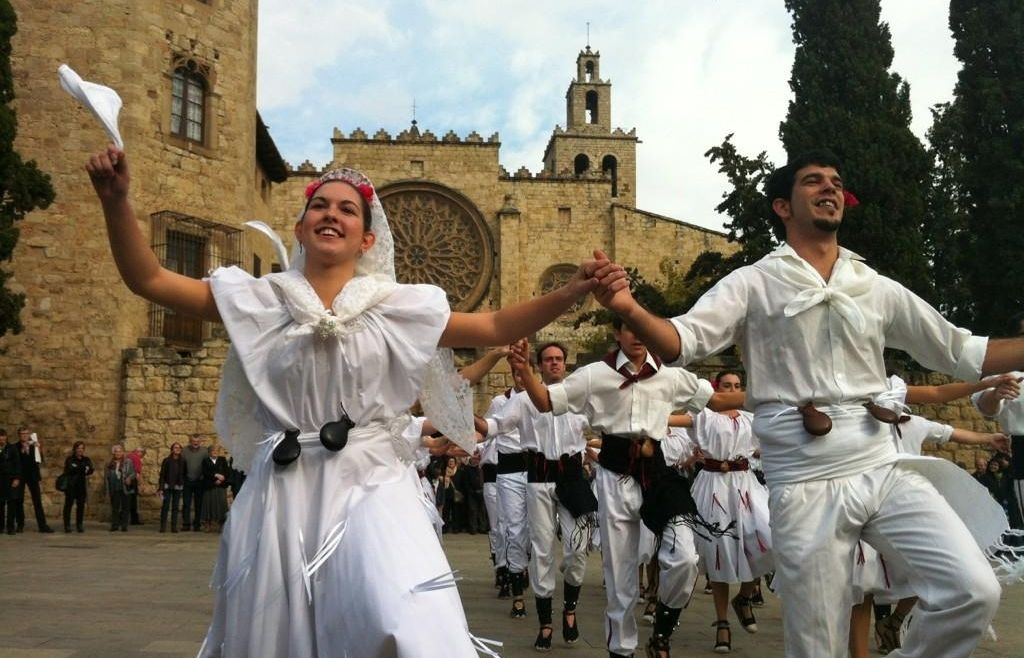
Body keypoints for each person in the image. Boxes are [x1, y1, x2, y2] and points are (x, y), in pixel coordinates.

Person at [86, 144, 618, 657]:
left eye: (347, 209)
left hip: (373, 483)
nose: (331, 214)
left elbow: (495, 323)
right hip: (284, 492)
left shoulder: (397, 307)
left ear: (367, 238)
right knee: (277, 634)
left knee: (403, 620)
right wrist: (116, 201)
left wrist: (571, 291)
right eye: (319, 205)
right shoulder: (259, 300)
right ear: (299, 227)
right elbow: (148, 278)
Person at [590, 149, 1024, 658]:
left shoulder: (873, 285)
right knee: (818, 645)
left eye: (836, 182)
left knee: (973, 590)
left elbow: (963, 351)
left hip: (882, 465)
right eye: (814, 181)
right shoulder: (753, 282)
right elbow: (680, 341)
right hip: (804, 479)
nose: (830, 189)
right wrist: (627, 307)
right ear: (783, 207)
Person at [509, 323, 716, 658]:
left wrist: (778, 394)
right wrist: (524, 371)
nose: (636, 335)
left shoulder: (670, 375)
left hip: (657, 473)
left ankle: (661, 631)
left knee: (685, 557)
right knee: (620, 576)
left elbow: (714, 399)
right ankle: (622, 649)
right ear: (617, 334)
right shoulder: (595, 375)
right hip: (615, 474)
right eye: (628, 329)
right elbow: (547, 400)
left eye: (641, 329)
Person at [487, 342, 591, 651]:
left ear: (565, 363)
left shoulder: (580, 397)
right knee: (542, 549)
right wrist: (472, 425)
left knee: (577, 549)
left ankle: (570, 607)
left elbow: (602, 425)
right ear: (540, 365)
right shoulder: (522, 400)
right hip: (539, 478)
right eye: (549, 359)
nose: (555, 363)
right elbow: (496, 425)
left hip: (572, 478)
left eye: (559, 358)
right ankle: (546, 623)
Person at [669, 370, 773, 654]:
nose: (732, 390)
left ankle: (745, 596)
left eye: (737, 385)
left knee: (768, 538)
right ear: (716, 389)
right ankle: (722, 622)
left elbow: (772, 438)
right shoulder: (705, 416)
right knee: (719, 551)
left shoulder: (753, 417)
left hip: (746, 485)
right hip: (713, 487)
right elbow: (676, 419)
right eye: (726, 385)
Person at [14, 427, 54, 533]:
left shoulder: (34, 446)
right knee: (19, 500)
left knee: (37, 501)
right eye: (22, 434)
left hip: (32, 476)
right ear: (19, 435)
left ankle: (42, 525)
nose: (24, 436)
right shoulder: (15, 447)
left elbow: (40, 460)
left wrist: (39, 449)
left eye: (26, 434)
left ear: (29, 435)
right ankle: (20, 524)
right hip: (21, 476)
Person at [61, 441, 95, 533]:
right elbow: (71, 468)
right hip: (71, 485)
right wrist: (83, 468)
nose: (80, 450)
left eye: (82, 448)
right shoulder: (70, 459)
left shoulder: (86, 459)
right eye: (78, 448)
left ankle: (79, 524)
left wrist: (82, 468)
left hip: (81, 485)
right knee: (68, 505)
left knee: (80, 505)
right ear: (75, 449)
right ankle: (67, 525)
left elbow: (90, 469)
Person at [105, 444, 136, 532]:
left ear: (122, 452)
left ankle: (124, 525)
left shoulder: (128, 462)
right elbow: (106, 478)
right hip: (114, 488)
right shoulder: (109, 464)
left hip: (125, 487)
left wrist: (129, 478)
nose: (118, 453)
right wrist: (107, 491)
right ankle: (115, 525)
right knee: (115, 507)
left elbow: (133, 473)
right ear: (113, 453)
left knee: (125, 507)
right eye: (116, 451)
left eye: (120, 451)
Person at [201, 444, 231, 533]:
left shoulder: (222, 460)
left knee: (221, 505)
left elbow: (226, 472)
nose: (215, 452)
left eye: (217, 451)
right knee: (208, 505)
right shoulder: (205, 461)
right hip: (209, 486)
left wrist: (221, 480)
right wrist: (216, 475)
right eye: (213, 451)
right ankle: (207, 525)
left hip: (220, 486)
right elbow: (205, 472)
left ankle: (222, 525)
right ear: (209, 452)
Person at [159, 442, 186, 533]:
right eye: (175, 447)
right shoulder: (166, 460)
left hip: (178, 487)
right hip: (167, 486)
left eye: (179, 447)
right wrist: (161, 488)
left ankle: (173, 527)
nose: (177, 449)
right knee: (165, 506)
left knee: (175, 507)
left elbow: (185, 473)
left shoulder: (183, 461)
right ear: (172, 449)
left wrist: (182, 483)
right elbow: (162, 475)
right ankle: (163, 526)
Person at [182, 433, 206, 532]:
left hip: (199, 481)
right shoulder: (184, 451)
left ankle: (197, 524)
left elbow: (208, 465)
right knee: (186, 504)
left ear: (200, 442)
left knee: (199, 504)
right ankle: (186, 524)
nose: (195, 443)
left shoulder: (205, 451)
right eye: (193, 441)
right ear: (190, 441)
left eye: (197, 441)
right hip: (187, 481)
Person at [0, 429, 22, 535]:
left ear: (6, 437)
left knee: (11, 504)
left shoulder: (12, 449)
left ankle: (10, 527)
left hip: (11, 479)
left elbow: (17, 464)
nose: (1, 439)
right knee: (0, 504)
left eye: (3, 436)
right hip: (0, 480)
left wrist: (17, 478)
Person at [126, 446, 146, 525]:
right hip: (132, 481)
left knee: (126, 500)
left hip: (124, 480)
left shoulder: (128, 456)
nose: (142, 457)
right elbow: (137, 474)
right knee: (133, 501)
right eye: (142, 455)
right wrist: (141, 484)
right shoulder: (136, 459)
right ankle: (134, 520)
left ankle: (123, 518)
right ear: (140, 452)